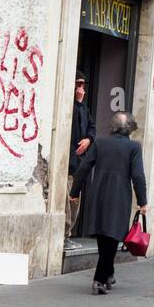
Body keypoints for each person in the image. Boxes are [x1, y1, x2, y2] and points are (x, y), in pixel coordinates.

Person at [70, 111, 147, 295]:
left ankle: (109, 272)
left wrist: (75, 191)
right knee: (112, 238)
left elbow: (84, 168)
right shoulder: (133, 148)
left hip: (98, 195)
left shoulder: (100, 143)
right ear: (130, 128)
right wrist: (142, 201)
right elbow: (138, 176)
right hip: (119, 198)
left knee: (105, 237)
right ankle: (99, 279)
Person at [66, 72, 96, 244]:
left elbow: (92, 127)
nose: (81, 89)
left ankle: (68, 234)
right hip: (69, 162)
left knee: (75, 202)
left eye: (83, 85)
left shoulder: (83, 107)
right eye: (78, 84)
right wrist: (77, 102)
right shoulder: (72, 105)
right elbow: (72, 125)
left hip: (79, 164)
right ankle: (64, 235)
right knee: (67, 200)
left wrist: (89, 139)